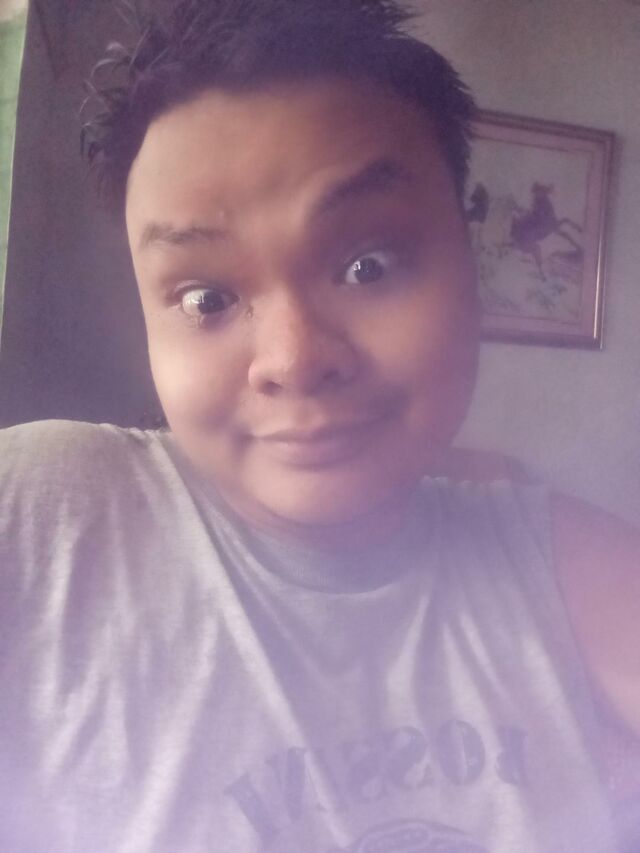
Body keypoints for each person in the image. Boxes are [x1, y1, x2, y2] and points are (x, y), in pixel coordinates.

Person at [0, 0, 638, 850]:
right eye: (207, 297)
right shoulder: (46, 517)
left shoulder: (558, 558)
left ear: (470, 259)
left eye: (367, 265)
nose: (294, 359)